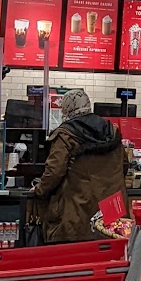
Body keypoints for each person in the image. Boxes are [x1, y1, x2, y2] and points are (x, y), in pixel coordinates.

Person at [25, 88, 127, 244]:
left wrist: (39, 190)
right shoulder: (111, 131)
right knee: (110, 251)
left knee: (76, 255)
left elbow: (54, 172)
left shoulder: (65, 135)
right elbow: (124, 164)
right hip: (112, 209)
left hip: (77, 209)